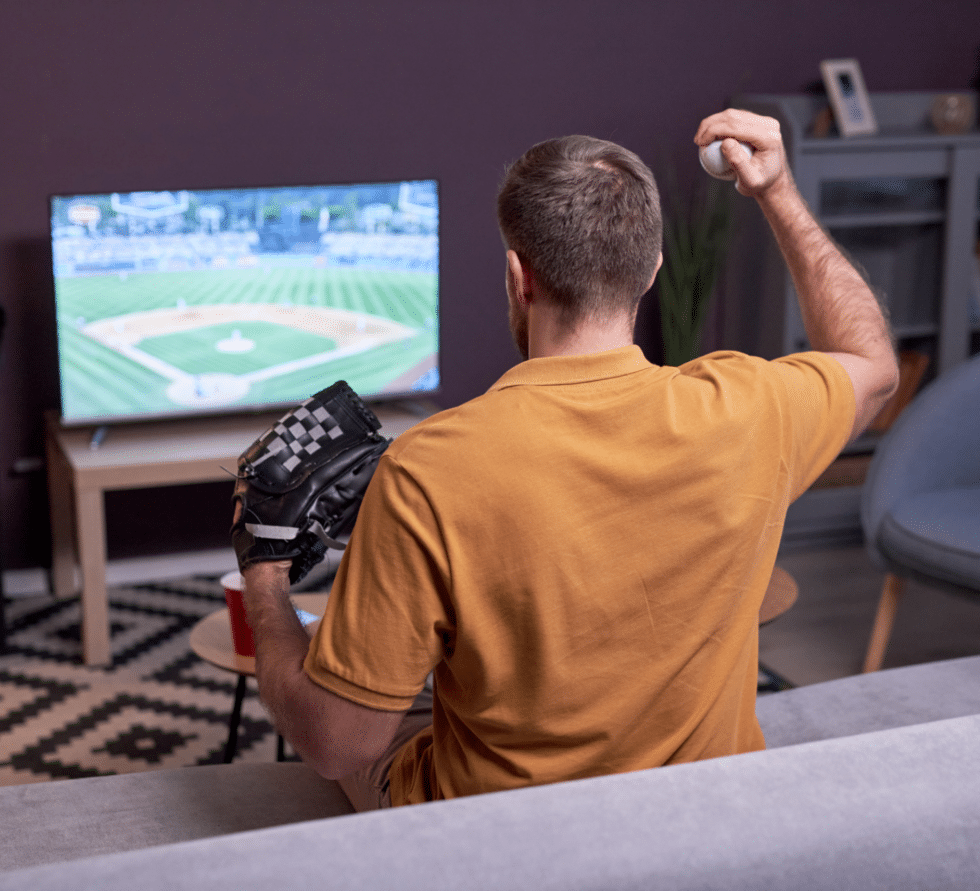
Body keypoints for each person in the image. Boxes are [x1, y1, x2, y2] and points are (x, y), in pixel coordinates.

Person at [238, 109, 899, 809]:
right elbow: (874, 363)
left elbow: (338, 742)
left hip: (507, 840)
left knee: (371, 729)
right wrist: (777, 190)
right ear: (651, 272)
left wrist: (266, 578)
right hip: (708, 815)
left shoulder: (428, 469)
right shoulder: (753, 405)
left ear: (518, 275)